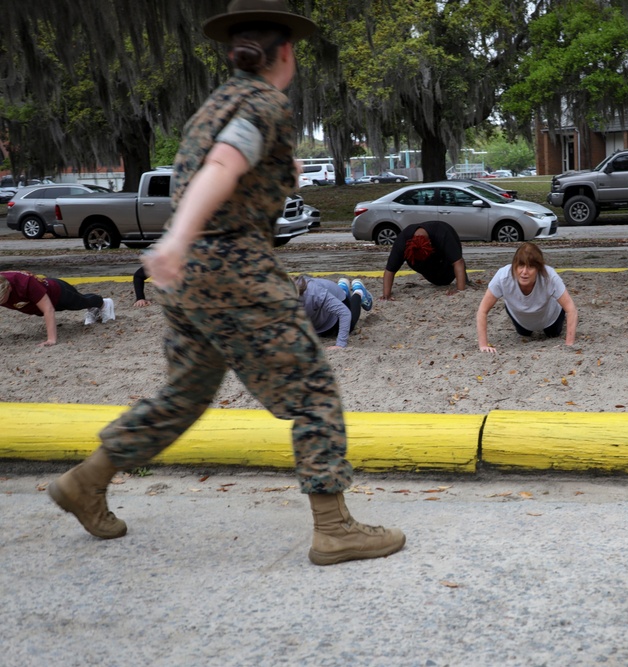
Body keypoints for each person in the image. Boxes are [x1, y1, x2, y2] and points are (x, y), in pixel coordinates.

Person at [46, 0, 404, 566]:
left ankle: (88, 481)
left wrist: (190, 237)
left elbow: (235, 164)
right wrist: (178, 237)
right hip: (234, 269)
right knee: (312, 392)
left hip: (190, 284)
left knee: (183, 396)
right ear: (284, 52)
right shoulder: (265, 100)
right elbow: (224, 165)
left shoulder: (212, 105)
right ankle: (334, 528)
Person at [476, 242, 578, 353]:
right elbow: (482, 311)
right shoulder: (502, 277)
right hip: (520, 317)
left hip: (549, 317)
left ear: (538, 268)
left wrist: (569, 344)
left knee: (552, 333)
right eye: (520, 266)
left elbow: (571, 309)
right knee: (524, 333)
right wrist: (483, 345)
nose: (524, 272)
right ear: (514, 265)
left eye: (530, 267)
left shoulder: (550, 276)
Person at [1, 270, 114, 346]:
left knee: (80, 302)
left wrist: (51, 339)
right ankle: (93, 308)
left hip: (58, 293)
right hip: (33, 306)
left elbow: (48, 309)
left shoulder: (25, 283)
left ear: (9, 288)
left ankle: (103, 303)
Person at [382, 221, 467, 299]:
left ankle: (463, 278)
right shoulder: (402, 241)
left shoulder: (443, 233)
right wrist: (386, 295)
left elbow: (458, 262)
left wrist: (460, 290)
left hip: (445, 266)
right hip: (429, 272)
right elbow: (390, 270)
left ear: (430, 243)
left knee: (454, 262)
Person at [295, 274, 372, 348]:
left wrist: (340, 344)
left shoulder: (313, 292)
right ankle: (343, 288)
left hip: (337, 299)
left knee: (347, 326)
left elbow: (344, 313)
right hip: (319, 307)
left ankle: (359, 292)